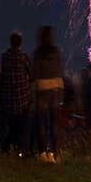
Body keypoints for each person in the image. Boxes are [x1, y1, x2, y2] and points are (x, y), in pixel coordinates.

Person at [31, 26, 64, 163]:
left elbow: (34, 72)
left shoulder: (37, 53)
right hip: (55, 88)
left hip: (42, 89)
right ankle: (56, 153)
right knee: (54, 123)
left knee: (42, 123)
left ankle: (43, 153)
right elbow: (60, 70)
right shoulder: (56, 51)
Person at [0, 32, 32, 155]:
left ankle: (5, 149)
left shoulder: (4, 57)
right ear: (20, 43)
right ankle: (22, 150)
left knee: (10, 127)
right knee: (22, 127)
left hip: (8, 98)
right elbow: (31, 74)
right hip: (22, 98)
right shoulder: (24, 57)